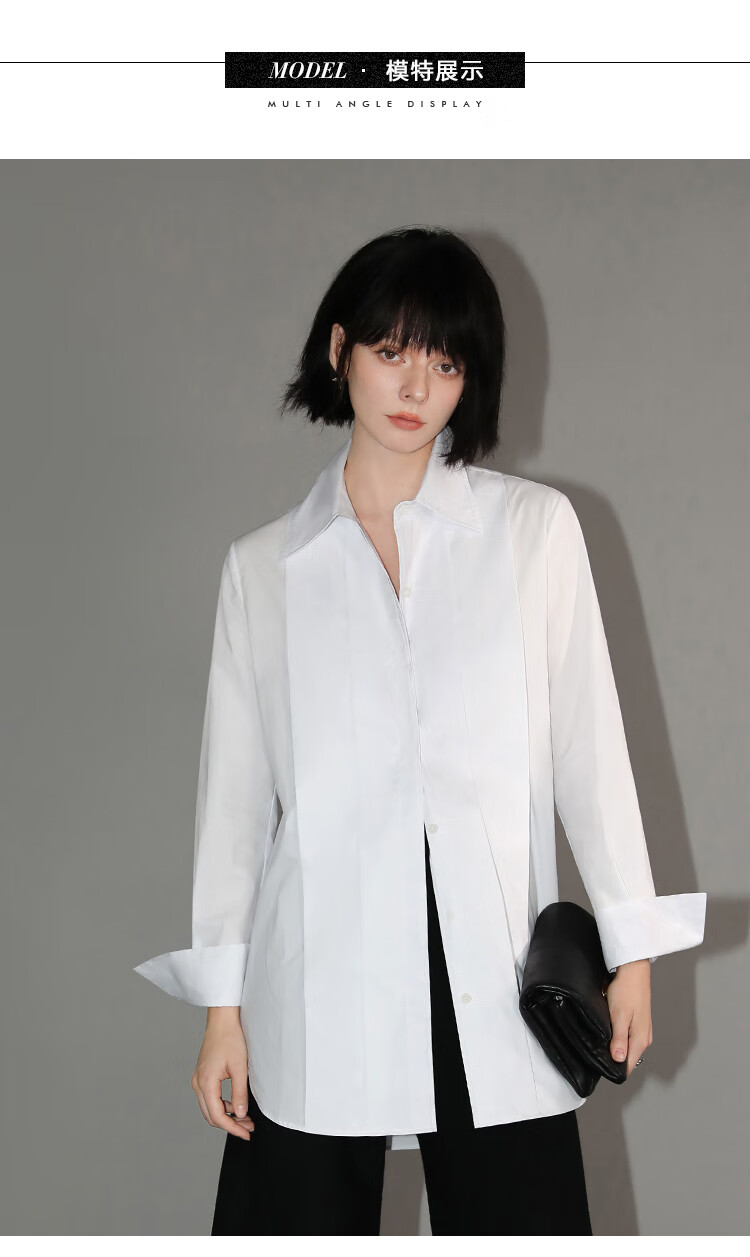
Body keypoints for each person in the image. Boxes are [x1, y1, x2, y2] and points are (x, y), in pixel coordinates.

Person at [134, 226, 707, 1236]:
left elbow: (590, 751)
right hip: (319, 974)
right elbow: (234, 808)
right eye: (392, 351)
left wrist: (635, 954)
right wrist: (223, 1009)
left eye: (446, 363)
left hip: (494, 973)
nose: (416, 388)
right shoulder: (264, 571)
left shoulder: (532, 532)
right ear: (339, 350)